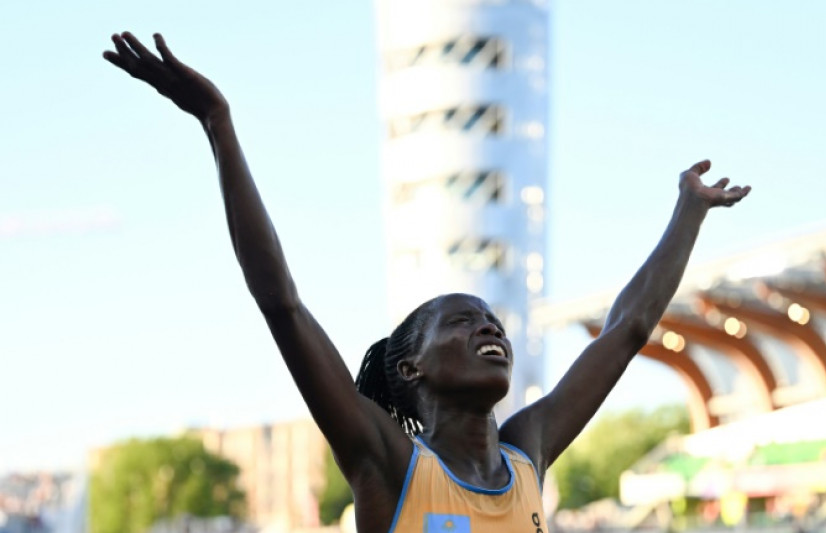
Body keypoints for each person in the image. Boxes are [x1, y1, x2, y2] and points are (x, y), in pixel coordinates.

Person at [103, 32, 751, 533]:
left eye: (489, 318)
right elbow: (282, 302)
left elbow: (628, 328)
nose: (489, 326)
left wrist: (688, 210)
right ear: (410, 368)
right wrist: (219, 125)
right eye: (462, 321)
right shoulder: (388, 461)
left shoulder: (529, 450)